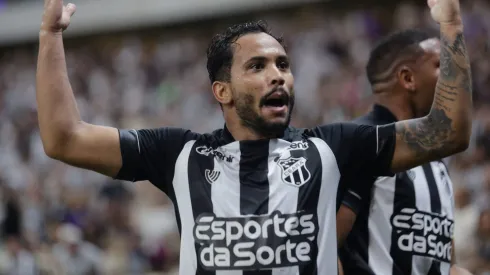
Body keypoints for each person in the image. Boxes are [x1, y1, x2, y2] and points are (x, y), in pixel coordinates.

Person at [37, 0, 472, 274]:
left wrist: (450, 27)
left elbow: (447, 132)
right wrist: (50, 35)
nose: (277, 75)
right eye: (258, 66)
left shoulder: (332, 148)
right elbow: (64, 139)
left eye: (283, 64)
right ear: (221, 92)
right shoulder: (181, 154)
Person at [336, 29, 473, 275]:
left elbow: (445, 261)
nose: (452, 76)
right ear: (408, 78)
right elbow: (327, 247)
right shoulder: (360, 144)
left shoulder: (437, 163)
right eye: (440, 65)